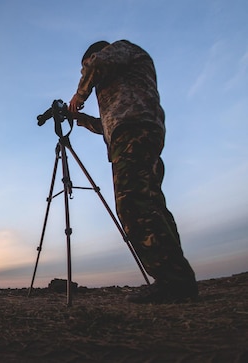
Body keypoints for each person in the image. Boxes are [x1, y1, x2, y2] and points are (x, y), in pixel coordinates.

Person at [68, 40, 198, 304]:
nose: (87, 74)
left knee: (133, 203)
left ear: (95, 55)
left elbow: (98, 65)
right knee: (150, 203)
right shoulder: (121, 80)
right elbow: (108, 123)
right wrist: (80, 120)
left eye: (86, 67)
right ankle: (176, 277)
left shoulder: (117, 51)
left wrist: (79, 97)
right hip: (132, 133)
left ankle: (173, 282)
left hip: (134, 133)